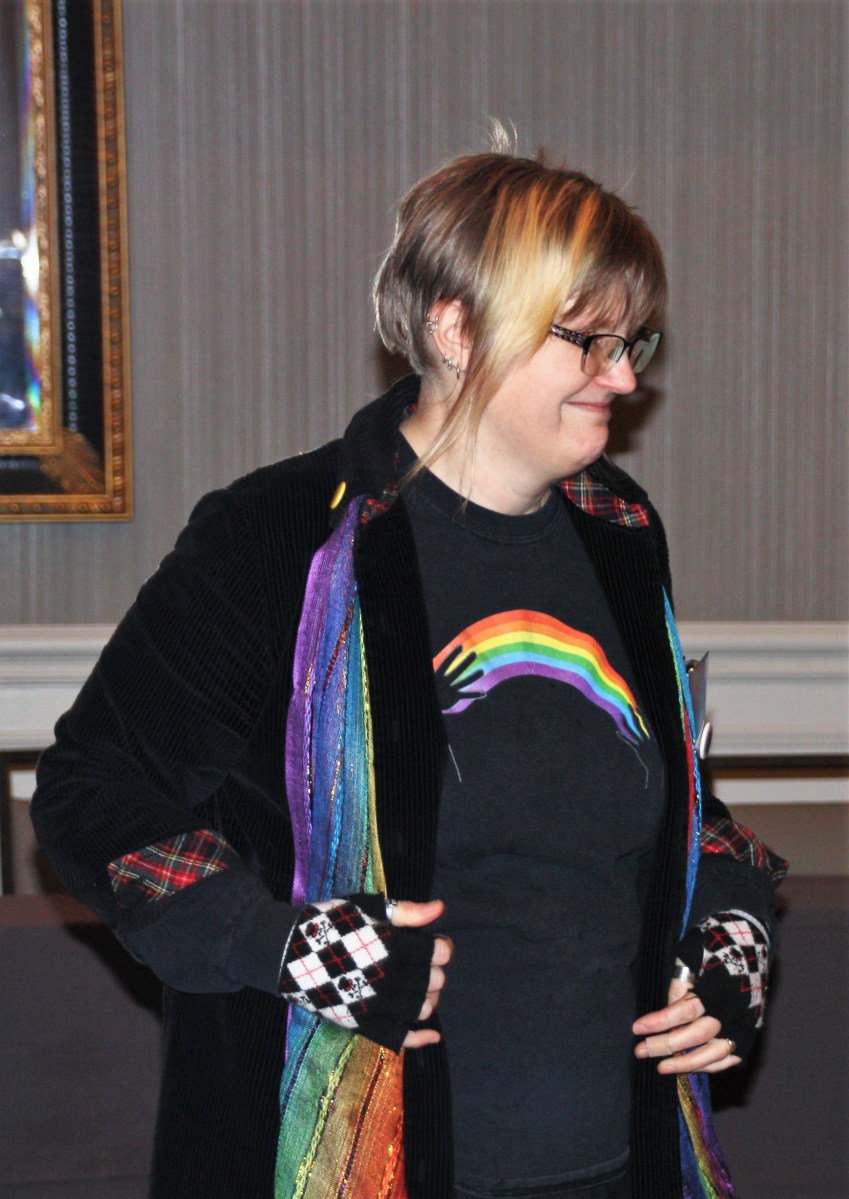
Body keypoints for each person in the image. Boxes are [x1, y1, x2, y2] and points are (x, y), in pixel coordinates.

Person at [32, 142, 786, 1199]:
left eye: (632, 342)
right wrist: (293, 947)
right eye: (588, 341)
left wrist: (735, 931)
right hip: (354, 1162)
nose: (623, 376)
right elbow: (91, 794)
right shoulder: (280, 537)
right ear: (456, 329)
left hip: (620, 1159)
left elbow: (679, 805)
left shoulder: (619, 531)